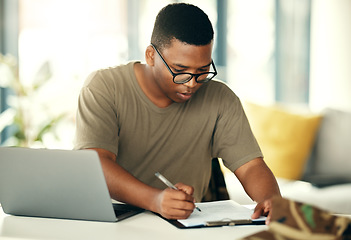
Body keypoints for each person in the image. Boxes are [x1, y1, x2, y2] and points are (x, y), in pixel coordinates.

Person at [74, 3, 281, 223]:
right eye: (180, 71)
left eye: (202, 71)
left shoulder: (221, 99)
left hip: (184, 226)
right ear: (151, 55)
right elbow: (96, 164)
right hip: (111, 222)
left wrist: (272, 200)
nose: (192, 83)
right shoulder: (104, 87)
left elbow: (250, 166)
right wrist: (155, 200)